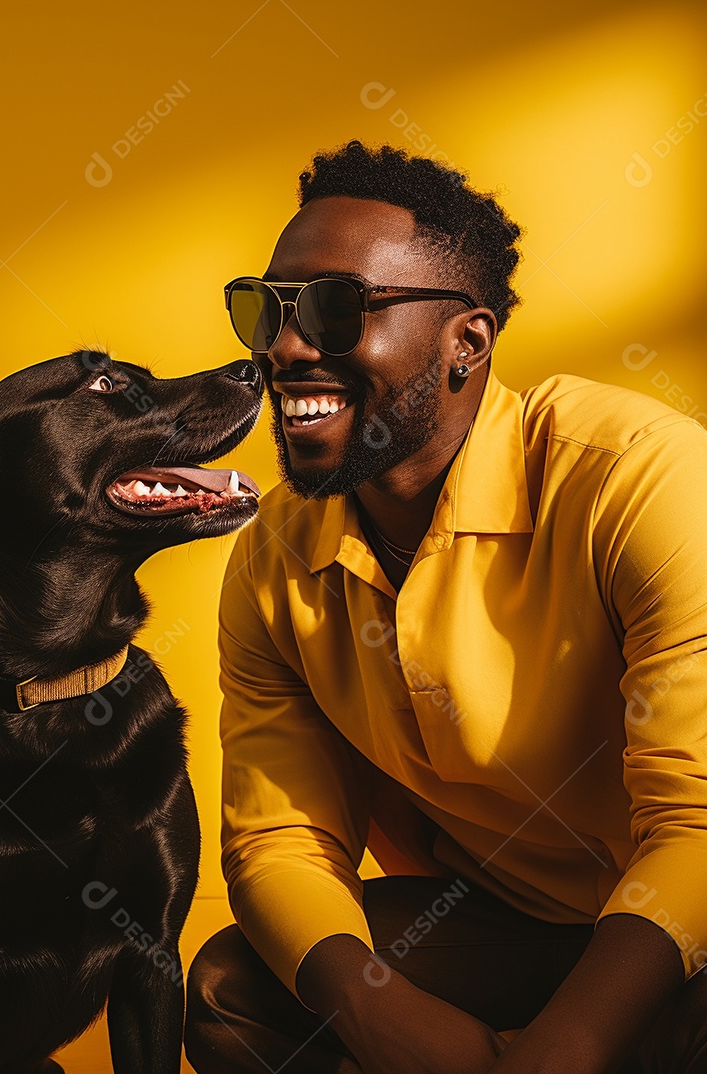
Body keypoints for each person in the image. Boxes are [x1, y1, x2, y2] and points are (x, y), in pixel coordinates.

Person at [184, 140, 707, 1073]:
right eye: (267, 310)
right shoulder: (271, 557)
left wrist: (568, 1048)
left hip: (687, 929)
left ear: (468, 340)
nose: (287, 347)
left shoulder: (640, 476)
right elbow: (280, 839)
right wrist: (384, 1019)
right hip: (522, 924)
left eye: (338, 308)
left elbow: (698, 825)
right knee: (235, 990)